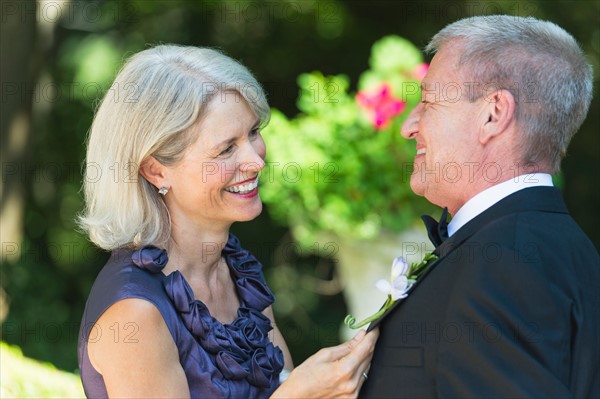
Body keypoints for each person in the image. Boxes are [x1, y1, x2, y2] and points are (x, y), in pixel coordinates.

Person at [77, 45, 378, 398]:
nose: (255, 161)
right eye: (226, 149)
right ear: (156, 170)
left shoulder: (236, 269)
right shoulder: (133, 314)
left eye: (252, 133)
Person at [360, 15, 599, 398]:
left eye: (429, 101)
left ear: (493, 114)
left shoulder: (505, 263)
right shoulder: (564, 248)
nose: (409, 125)